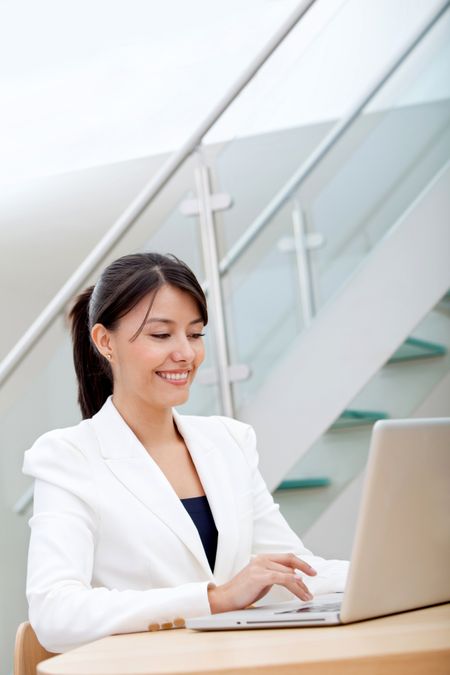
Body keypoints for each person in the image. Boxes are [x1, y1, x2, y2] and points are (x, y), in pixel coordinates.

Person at [23, 252, 348, 653]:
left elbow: (292, 571)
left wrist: (392, 574)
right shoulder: (67, 457)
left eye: (195, 334)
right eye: (161, 335)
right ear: (105, 341)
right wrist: (214, 598)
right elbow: (55, 613)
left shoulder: (230, 441)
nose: (186, 354)